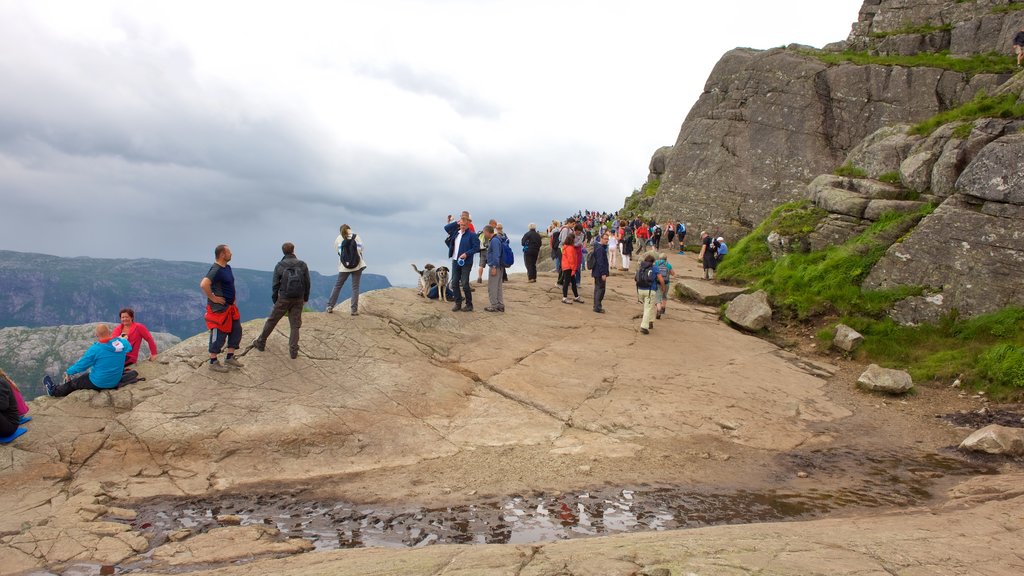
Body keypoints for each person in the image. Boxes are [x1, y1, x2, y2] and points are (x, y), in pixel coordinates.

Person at [252, 242, 311, 360]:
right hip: (298, 298)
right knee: (295, 325)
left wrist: (275, 300)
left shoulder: (280, 265)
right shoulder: (302, 264)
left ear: (283, 252)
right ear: (294, 250)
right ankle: (293, 351)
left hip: (284, 298)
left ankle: (261, 342)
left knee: (272, 320)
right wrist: (305, 298)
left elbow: (275, 285)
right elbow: (307, 283)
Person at [44, 323, 134, 396]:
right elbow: (129, 347)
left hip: (99, 382)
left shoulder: (95, 349)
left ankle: (54, 391)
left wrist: (69, 372)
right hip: (115, 381)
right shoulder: (121, 344)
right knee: (88, 375)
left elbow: (82, 365)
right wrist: (122, 338)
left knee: (75, 383)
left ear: (97, 334)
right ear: (109, 332)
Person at [201, 244, 244, 373]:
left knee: (236, 330)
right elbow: (204, 284)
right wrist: (213, 297)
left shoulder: (227, 267)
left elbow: (229, 284)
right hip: (219, 309)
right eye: (229, 252)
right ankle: (213, 361)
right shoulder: (216, 269)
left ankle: (230, 357)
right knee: (218, 332)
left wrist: (234, 299)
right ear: (222, 255)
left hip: (230, 307)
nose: (231, 254)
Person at [327, 224, 367, 315]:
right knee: (355, 287)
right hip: (357, 265)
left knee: (338, 286)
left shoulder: (338, 238)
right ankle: (354, 310)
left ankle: (330, 306)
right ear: (349, 229)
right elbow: (361, 249)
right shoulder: (356, 237)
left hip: (344, 266)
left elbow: (337, 251)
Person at [444, 215, 481, 312]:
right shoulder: (456, 232)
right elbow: (446, 228)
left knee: (464, 284)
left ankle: (469, 305)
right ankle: (458, 303)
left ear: (468, 224)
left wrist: (466, 254)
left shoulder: (472, 235)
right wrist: (456, 221)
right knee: (455, 283)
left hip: (466, 262)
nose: (462, 227)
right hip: (455, 261)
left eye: (464, 225)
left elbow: (476, 248)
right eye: (461, 225)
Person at [635, 254, 665, 335]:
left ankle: (651, 321)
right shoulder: (654, 268)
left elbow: (636, 278)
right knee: (648, 308)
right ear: (653, 261)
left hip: (640, 290)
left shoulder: (641, 267)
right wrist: (663, 287)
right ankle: (644, 327)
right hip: (650, 291)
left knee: (650, 305)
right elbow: (661, 279)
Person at [483, 226, 505, 312]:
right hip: (499, 266)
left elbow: (496, 255)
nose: (484, 235)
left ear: (488, 232)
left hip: (495, 266)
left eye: (484, 233)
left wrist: (494, 267)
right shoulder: (498, 239)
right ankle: (500, 305)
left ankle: (494, 305)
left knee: (492, 286)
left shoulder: (494, 240)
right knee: (498, 286)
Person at [560, 231, 583, 304]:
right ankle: (564, 298)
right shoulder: (570, 248)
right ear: (571, 240)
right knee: (567, 282)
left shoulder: (565, 247)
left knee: (573, 282)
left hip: (566, 267)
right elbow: (571, 259)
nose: (575, 240)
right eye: (574, 239)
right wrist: (573, 269)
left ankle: (576, 297)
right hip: (569, 267)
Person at [591, 232, 610, 313]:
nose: (606, 241)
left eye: (607, 239)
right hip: (599, 272)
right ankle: (597, 307)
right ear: (601, 239)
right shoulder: (600, 249)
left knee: (597, 289)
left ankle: (596, 305)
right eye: (605, 239)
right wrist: (603, 273)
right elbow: (600, 262)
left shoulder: (598, 247)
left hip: (597, 272)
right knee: (600, 289)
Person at [653, 252, 675, 319]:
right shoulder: (668, 265)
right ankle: (663, 308)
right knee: (664, 296)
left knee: (657, 297)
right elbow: (673, 273)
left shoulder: (656, 263)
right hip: (666, 283)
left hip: (658, 282)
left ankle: (658, 310)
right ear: (666, 259)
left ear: (659, 258)